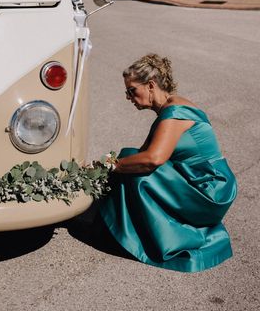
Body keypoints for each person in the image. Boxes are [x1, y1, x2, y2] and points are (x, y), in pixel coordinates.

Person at [98, 54, 237, 272]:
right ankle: (121, 227)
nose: (128, 97)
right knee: (129, 157)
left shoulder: (174, 114)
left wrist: (110, 166)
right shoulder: (169, 109)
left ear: (151, 85)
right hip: (202, 181)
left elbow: (152, 159)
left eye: (132, 90)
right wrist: (109, 164)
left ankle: (151, 237)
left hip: (211, 190)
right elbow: (140, 154)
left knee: (138, 171)